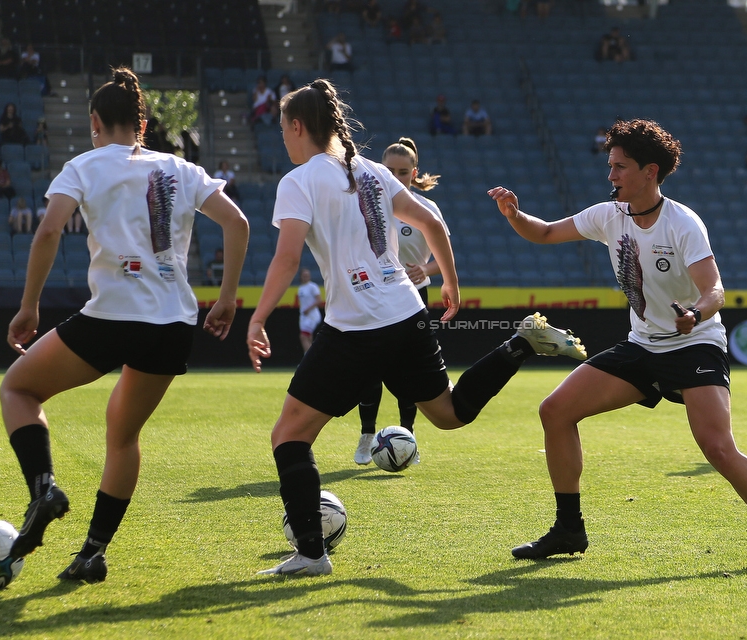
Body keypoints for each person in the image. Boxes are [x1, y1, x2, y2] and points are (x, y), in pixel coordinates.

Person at [245, 78, 586, 576]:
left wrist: (257, 316)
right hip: (407, 312)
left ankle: (312, 555)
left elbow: (287, 256)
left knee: (288, 436)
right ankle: (518, 343)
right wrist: (450, 283)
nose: (282, 137)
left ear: (298, 127)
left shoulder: (298, 182)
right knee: (448, 412)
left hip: (356, 325)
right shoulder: (374, 172)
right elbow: (434, 223)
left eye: (282, 128)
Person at [488, 118, 747, 568]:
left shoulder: (683, 224)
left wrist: (695, 314)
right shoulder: (609, 215)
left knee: (717, 446)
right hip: (643, 346)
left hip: (695, 344)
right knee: (555, 410)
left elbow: (715, 290)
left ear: (650, 172)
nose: (611, 175)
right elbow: (543, 232)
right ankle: (569, 530)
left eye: (620, 167)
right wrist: (514, 215)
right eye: (610, 166)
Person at [0, 67, 249, 583]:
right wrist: (225, 299)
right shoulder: (181, 168)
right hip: (171, 324)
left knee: (19, 389)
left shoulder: (84, 166)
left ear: (95, 122)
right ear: (142, 121)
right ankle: (92, 552)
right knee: (123, 434)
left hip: (112, 317)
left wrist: (29, 306)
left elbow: (48, 232)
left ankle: (44, 487)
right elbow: (238, 223)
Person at [354, 137, 449, 464]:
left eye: (403, 172)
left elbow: (444, 258)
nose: (396, 177)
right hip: (372, 296)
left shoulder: (427, 210)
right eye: (390, 170)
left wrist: (425, 269)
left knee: (410, 371)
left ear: (414, 173)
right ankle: (367, 436)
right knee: (368, 369)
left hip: (412, 298)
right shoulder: (363, 204)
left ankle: (406, 437)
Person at [297, 267, 323, 353]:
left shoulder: (313, 286)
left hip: (312, 315)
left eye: (307, 275)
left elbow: (319, 300)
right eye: (304, 275)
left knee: (303, 336)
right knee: (308, 336)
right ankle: (312, 359)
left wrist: (308, 309)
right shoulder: (300, 288)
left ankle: (307, 359)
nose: (306, 277)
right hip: (304, 316)